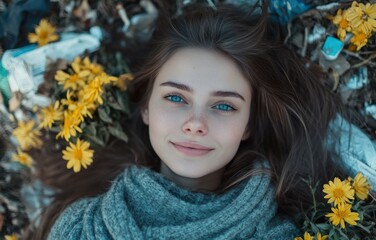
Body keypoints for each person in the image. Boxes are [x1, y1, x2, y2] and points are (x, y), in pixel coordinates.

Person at [29, 0, 347, 239]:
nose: (195, 123)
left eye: (223, 106)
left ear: (248, 124)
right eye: (176, 98)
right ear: (146, 109)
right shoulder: (81, 228)